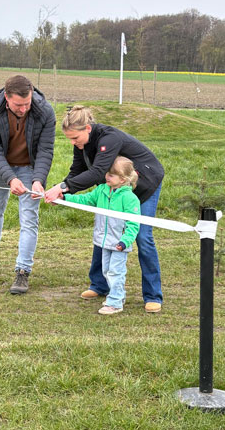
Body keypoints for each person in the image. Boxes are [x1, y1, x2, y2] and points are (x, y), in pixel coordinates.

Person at [44, 105, 164, 313]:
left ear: (87, 129)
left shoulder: (109, 139)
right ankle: (99, 285)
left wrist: (62, 188)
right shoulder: (82, 145)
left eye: (75, 138)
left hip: (145, 184)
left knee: (143, 237)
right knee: (105, 229)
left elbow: (98, 172)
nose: (73, 143)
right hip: (114, 187)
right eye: (70, 139)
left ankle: (153, 295)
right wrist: (63, 192)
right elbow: (77, 171)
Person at [0, 74, 56, 294]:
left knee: (29, 219)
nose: (24, 109)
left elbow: (45, 150)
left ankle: (23, 271)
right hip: (2, 168)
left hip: (30, 169)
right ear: (6, 97)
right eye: (18, 105)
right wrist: (10, 178)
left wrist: (37, 180)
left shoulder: (45, 111)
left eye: (27, 104)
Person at [56, 156, 140, 315]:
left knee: (116, 272)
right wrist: (65, 198)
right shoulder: (101, 190)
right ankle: (118, 296)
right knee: (106, 271)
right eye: (107, 173)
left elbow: (133, 225)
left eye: (111, 175)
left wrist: (124, 241)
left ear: (122, 180)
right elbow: (85, 199)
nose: (107, 176)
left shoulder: (130, 198)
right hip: (104, 242)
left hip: (119, 244)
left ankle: (115, 303)